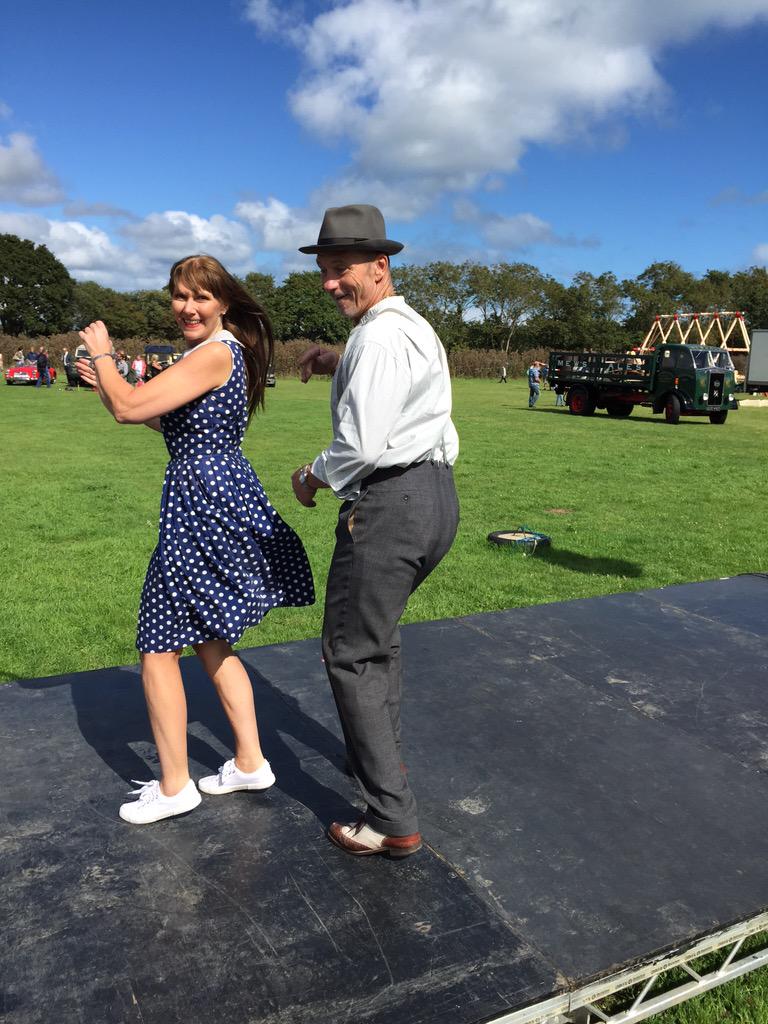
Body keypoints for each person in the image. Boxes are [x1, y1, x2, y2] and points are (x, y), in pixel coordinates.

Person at [76, 254, 314, 825]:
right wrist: (108, 386)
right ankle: (250, 762)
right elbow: (159, 418)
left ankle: (175, 785)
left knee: (158, 646)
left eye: (200, 296)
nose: (187, 306)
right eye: (179, 295)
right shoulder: (223, 352)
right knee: (210, 640)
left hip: (200, 508)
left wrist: (105, 355)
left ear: (223, 302)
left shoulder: (212, 354)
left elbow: (131, 408)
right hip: (213, 500)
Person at [291, 204, 460, 858]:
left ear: (380, 266)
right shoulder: (408, 326)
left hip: (391, 505)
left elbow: (360, 446)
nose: (330, 282)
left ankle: (391, 818)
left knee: (351, 653)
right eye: (325, 269)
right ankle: (383, 762)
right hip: (435, 499)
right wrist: (336, 358)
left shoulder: (380, 338)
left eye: (343, 268)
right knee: (378, 642)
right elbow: (396, 385)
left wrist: (310, 475)